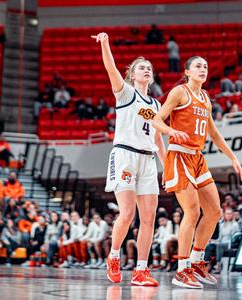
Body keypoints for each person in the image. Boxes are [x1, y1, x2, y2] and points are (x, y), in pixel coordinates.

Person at [153, 56, 242, 289]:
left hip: (197, 157)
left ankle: (196, 262)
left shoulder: (205, 98)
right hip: (178, 155)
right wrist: (172, 131)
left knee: (214, 211)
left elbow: (213, 133)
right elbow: (156, 120)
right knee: (192, 211)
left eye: (205, 66)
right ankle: (181, 270)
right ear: (187, 71)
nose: (203, 69)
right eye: (198, 66)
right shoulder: (179, 92)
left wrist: (234, 158)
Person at [92, 32, 166, 287]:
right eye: (141, 68)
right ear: (132, 75)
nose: (146, 70)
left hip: (148, 160)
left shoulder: (157, 105)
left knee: (149, 218)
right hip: (124, 155)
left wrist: (167, 167)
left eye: (149, 68)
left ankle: (140, 270)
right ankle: (114, 256)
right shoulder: (125, 94)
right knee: (127, 213)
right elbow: (110, 68)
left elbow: (158, 140)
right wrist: (105, 43)